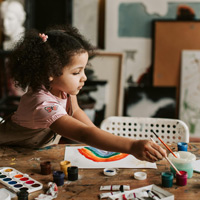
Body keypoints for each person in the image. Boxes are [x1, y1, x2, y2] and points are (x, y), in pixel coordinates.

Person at [0, 25, 166, 163]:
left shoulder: (64, 90)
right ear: (50, 73)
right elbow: (83, 134)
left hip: (31, 152)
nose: (84, 78)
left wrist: (98, 135)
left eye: (84, 70)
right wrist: (132, 146)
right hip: (9, 151)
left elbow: (76, 112)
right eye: (76, 72)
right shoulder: (43, 105)